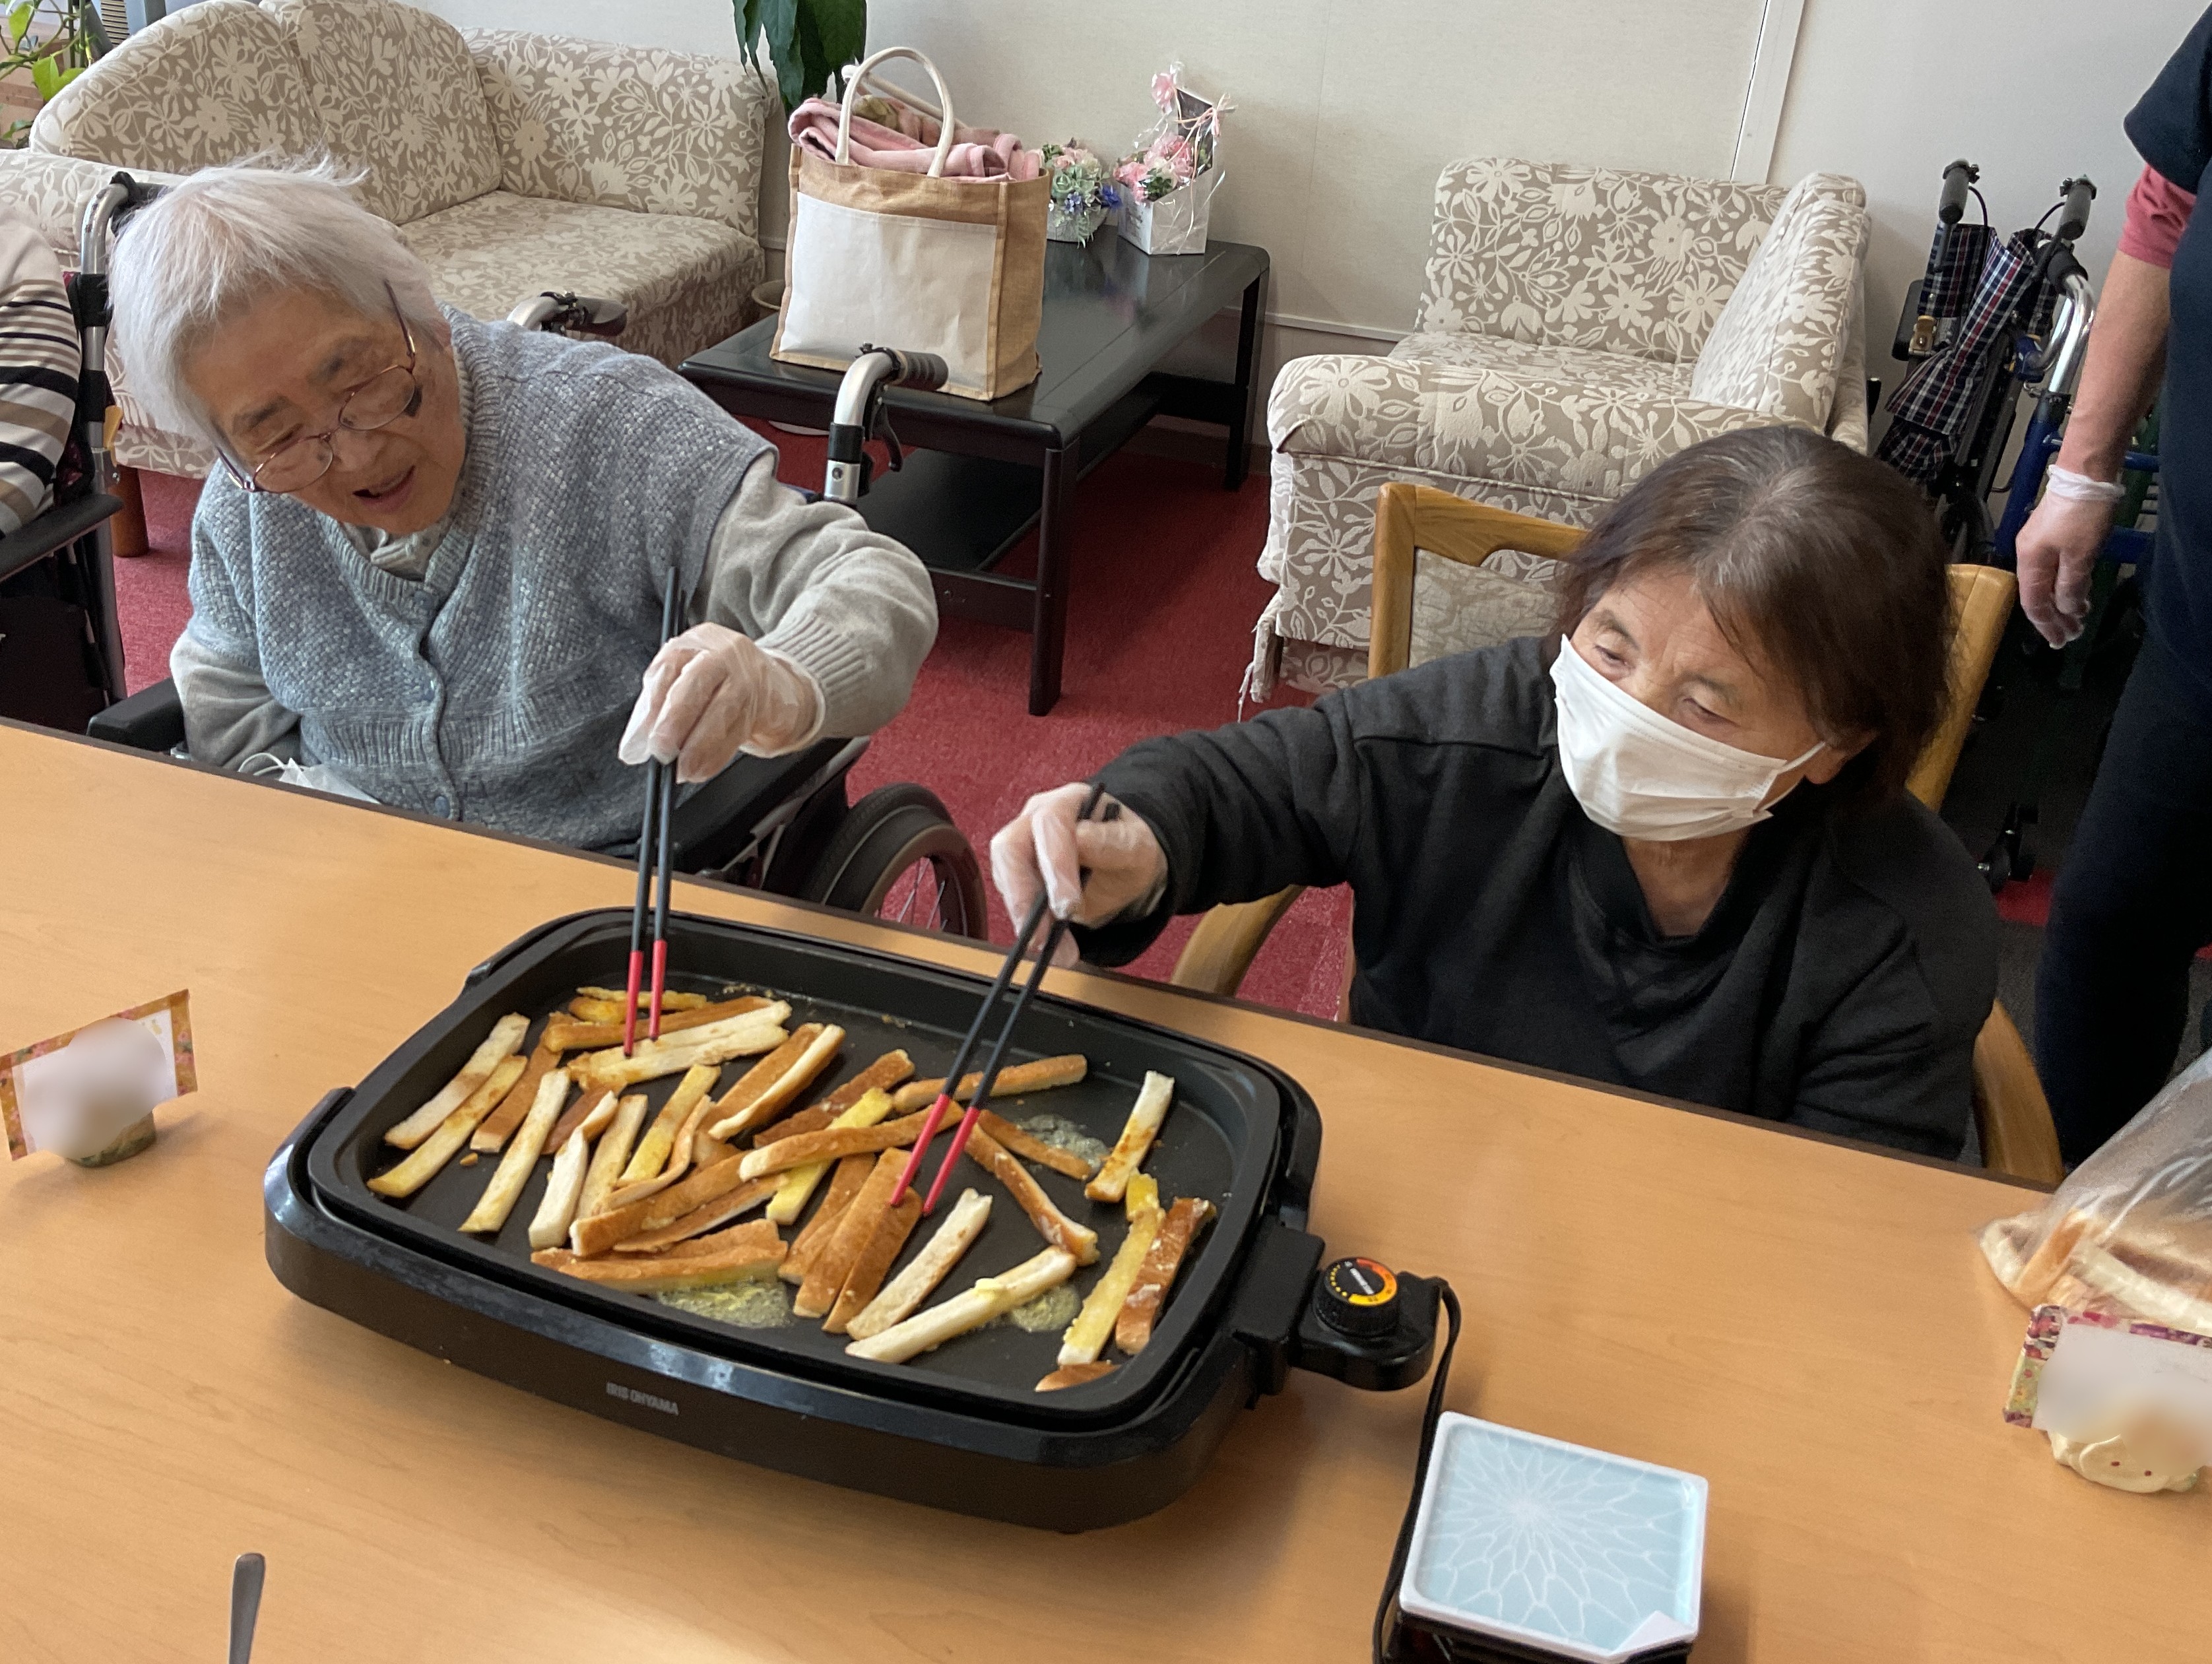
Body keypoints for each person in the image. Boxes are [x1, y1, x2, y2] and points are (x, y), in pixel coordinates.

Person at [994, 427, 1998, 1157]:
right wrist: (1133, 835)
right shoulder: (1486, 723)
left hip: (1695, 1277)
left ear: (1837, 743)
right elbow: (1260, 780)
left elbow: (1849, 1231)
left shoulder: (1901, 925)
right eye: (1610, 645)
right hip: (1405, 1188)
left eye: (1704, 706)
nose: (1627, 710)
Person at [110, 164, 936, 846]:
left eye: (362, 381)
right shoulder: (246, 500)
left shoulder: (612, 425)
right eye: (280, 433)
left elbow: (872, 583)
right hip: (356, 888)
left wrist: (780, 678)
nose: (355, 452)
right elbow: (227, 707)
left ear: (424, 316)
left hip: (600, 903)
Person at [2017, 9, 2212, 1164]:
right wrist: (2082, 472)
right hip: (2198, 625)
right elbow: (2165, 204)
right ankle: (2071, 1230)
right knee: (2103, 936)